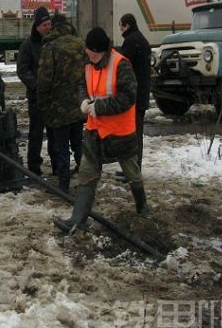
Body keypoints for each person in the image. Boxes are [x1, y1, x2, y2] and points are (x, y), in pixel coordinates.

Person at [54, 27, 149, 234]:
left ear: (103, 51)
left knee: (132, 173)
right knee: (87, 173)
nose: (89, 57)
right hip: (95, 131)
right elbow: (82, 85)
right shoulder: (88, 61)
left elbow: (129, 96)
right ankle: (77, 221)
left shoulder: (120, 64)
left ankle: (143, 210)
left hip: (119, 133)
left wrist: (99, 107)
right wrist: (83, 101)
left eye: (93, 54)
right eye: (87, 53)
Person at [36, 12, 85, 192]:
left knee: (61, 146)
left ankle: (63, 184)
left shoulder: (51, 47)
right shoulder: (80, 44)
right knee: (79, 143)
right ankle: (88, 179)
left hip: (58, 108)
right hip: (79, 104)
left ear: (54, 26)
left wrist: (42, 103)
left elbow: (44, 80)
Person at [16, 6, 51, 176]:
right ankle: (34, 164)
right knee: (36, 132)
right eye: (44, 25)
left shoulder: (52, 43)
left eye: (49, 24)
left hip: (53, 97)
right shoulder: (28, 45)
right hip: (36, 96)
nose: (47, 27)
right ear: (37, 26)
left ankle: (57, 162)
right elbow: (22, 70)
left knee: (54, 132)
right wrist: (37, 85)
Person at [119, 13, 151, 172]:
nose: (120, 30)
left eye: (122, 26)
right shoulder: (141, 39)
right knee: (136, 131)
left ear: (127, 25)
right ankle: (134, 167)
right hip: (142, 91)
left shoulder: (131, 41)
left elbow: (122, 66)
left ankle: (133, 169)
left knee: (133, 133)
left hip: (135, 94)